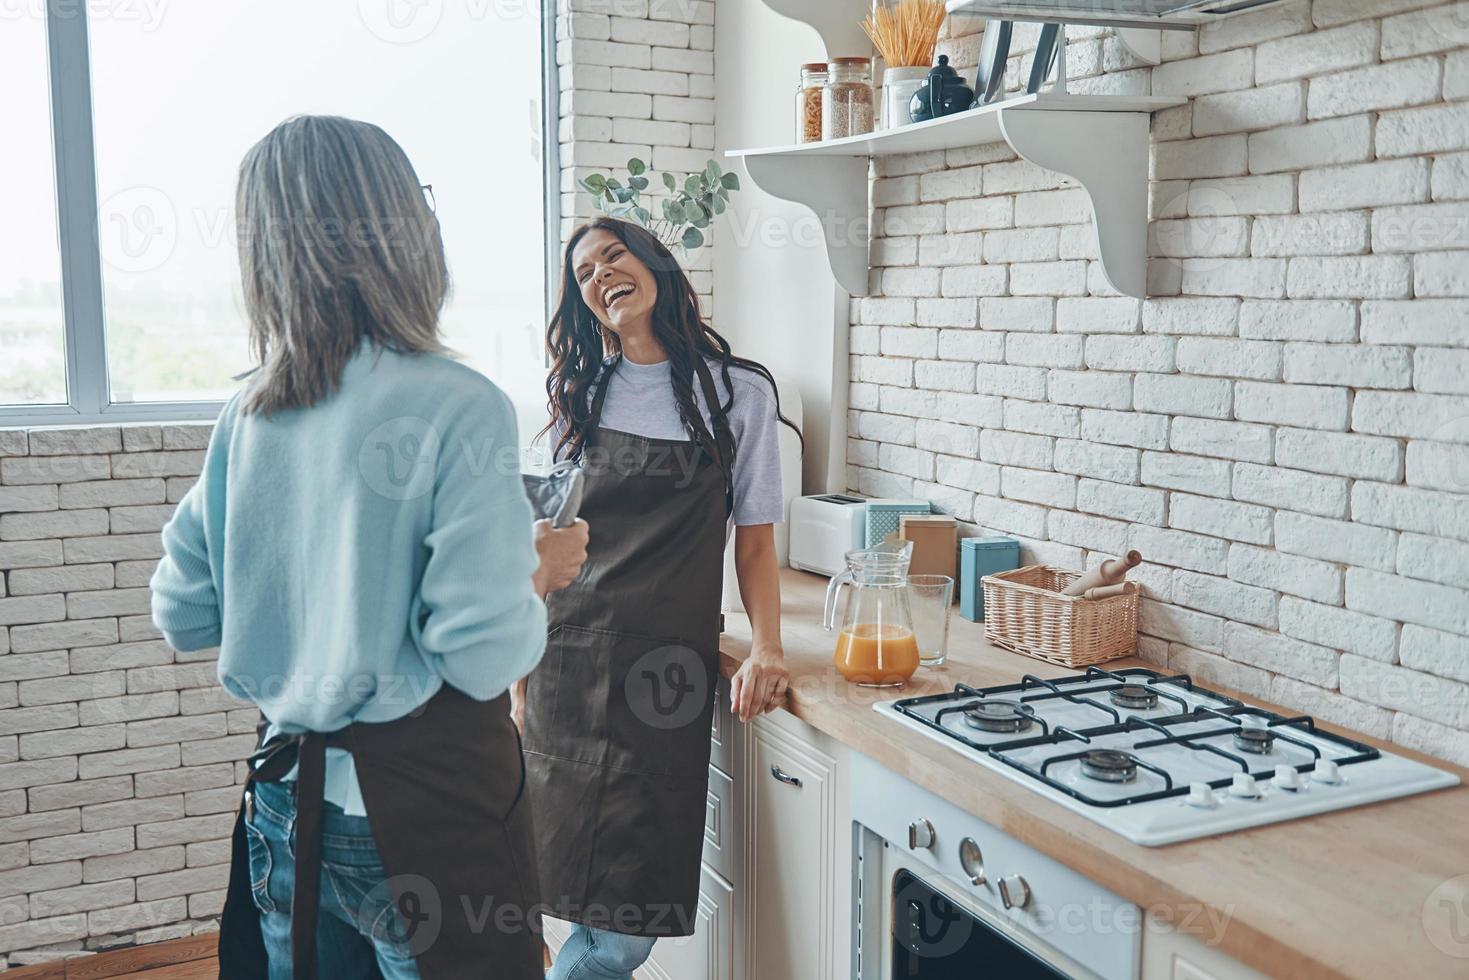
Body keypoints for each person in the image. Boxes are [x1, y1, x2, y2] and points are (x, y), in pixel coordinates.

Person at [149, 114, 588, 980]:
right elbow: (480, 654)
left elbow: (184, 612)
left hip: (284, 806)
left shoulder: (248, 415)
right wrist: (537, 570)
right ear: (399, 228)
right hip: (428, 814)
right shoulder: (458, 400)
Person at [514, 217, 799, 979]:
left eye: (615, 255)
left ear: (654, 264)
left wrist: (767, 645)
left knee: (625, 926)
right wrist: (515, 682)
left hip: (663, 679)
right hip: (563, 662)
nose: (602, 274)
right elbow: (544, 546)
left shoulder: (738, 392)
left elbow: (756, 541)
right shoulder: (576, 394)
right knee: (563, 885)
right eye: (583, 273)